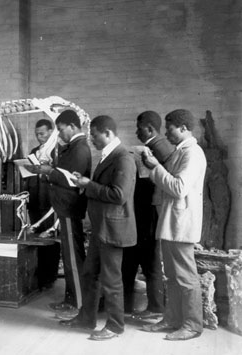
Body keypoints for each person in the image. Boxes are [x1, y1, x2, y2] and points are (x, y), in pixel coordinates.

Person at [61, 115, 137, 341]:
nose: (91, 139)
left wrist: (88, 185)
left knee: (112, 280)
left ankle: (115, 326)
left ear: (108, 133)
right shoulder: (108, 156)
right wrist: (86, 184)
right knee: (89, 273)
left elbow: (119, 195)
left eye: (94, 135)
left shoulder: (123, 158)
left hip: (113, 229)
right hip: (101, 227)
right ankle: (86, 319)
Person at [141, 109, 206, 341]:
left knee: (186, 278)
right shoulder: (182, 152)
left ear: (184, 128)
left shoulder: (194, 154)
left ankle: (192, 325)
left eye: (170, 129)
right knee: (172, 275)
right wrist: (156, 167)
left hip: (181, 225)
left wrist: (154, 167)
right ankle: (172, 319)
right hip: (172, 223)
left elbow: (179, 188)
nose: (166, 133)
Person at [27, 110, 92, 319]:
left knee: (73, 259)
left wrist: (48, 171)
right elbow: (65, 174)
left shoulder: (79, 148)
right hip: (65, 208)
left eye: (61, 130)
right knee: (70, 255)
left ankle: (78, 306)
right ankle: (70, 299)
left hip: (69, 208)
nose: (60, 134)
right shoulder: (72, 148)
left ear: (72, 126)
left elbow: (72, 180)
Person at [122, 111, 174, 318]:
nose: (137, 132)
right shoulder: (159, 146)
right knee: (145, 260)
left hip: (146, 211)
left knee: (146, 260)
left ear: (150, 128)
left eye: (140, 128)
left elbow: (153, 181)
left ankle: (153, 308)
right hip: (147, 212)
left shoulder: (156, 147)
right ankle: (148, 306)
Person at [23, 119, 59, 289]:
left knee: (49, 239)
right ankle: (39, 276)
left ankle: (49, 277)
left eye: (42, 134)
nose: (39, 137)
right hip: (35, 198)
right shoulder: (34, 151)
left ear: (51, 132)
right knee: (36, 238)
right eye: (37, 134)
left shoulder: (57, 151)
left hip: (49, 201)